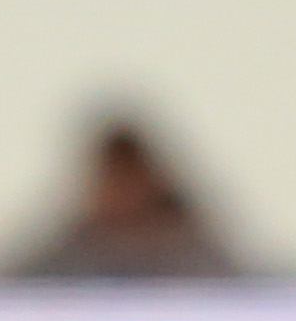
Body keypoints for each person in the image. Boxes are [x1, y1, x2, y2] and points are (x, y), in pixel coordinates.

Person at [20, 110, 244, 275]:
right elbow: (13, 295)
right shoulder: (69, 250)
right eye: (114, 179)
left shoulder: (190, 249)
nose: (123, 191)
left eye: (129, 177)